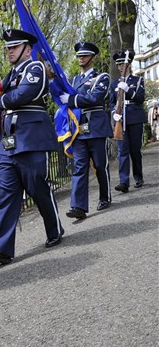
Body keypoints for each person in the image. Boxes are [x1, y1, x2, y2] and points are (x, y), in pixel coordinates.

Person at [0, 28, 64, 265]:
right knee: (6, 195)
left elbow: (25, 94)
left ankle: (54, 228)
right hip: (9, 142)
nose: (10, 52)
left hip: (31, 139)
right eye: (8, 48)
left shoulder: (35, 68)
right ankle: (1, 248)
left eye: (14, 47)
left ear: (27, 49)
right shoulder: (9, 75)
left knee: (37, 186)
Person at [59, 41, 112, 219]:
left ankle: (105, 197)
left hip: (96, 127)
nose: (81, 58)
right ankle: (78, 207)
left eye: (85, 55)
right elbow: (64, 94)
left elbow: (95, 98)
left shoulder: (101, 77)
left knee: (99, 165)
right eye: (79, 56)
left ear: (92, 57)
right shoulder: (73, 80)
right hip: (78, 129)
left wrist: (72, 100)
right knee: (79, 167)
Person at [109, 51, 146, 192]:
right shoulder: (114, 84)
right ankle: (123, 181)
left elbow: (140, 98)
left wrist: (127, 91)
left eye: (123, 64)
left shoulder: (137, 81)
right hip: (121, 118)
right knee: (122, 151)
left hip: (135, 118)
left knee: (135, 150)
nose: (120, 67)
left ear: (129, 64)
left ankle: (138, 177)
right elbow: (112, 103)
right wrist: (114, 114)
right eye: (118, 64)